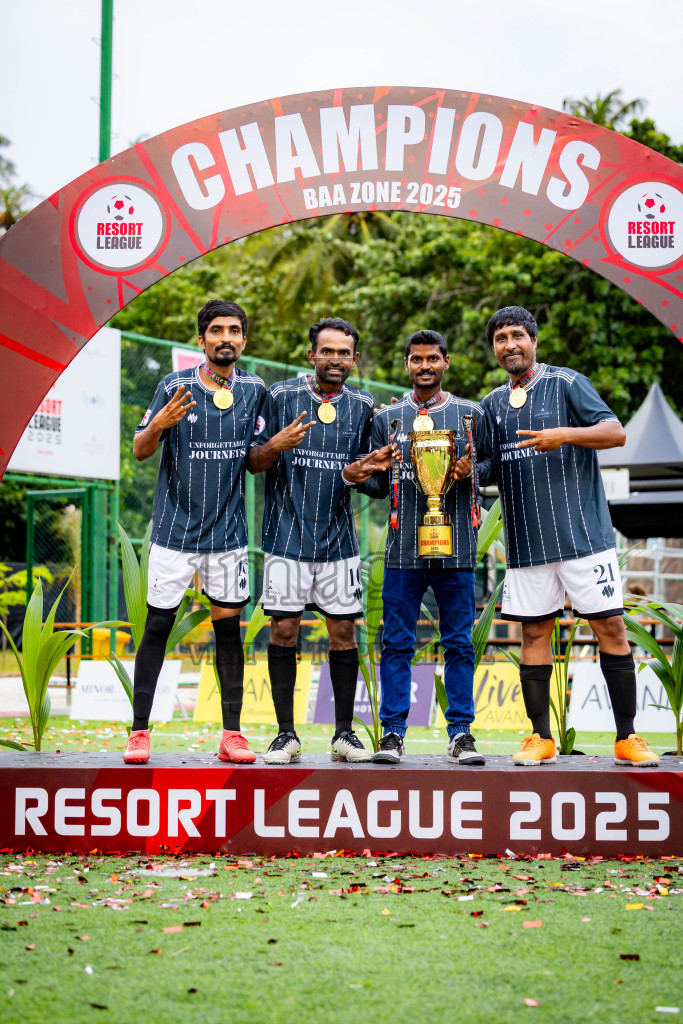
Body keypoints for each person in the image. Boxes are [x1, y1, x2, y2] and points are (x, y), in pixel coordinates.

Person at [481, 305, 659, 767]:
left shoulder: (566, 382)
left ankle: (627, 738)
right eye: (501, 339)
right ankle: (540, 737)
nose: (510, 345)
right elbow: (487, 465)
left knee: (612, 629)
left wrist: (563, 434)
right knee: (535, 634)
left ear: (534, 341)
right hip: (527, 542)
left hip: (583, 538)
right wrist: (464, 469)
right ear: (495, 349)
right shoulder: (492, 404)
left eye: (517, 335)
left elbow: (615, 433)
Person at [122, 300, 266, 765]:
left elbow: (257, 458)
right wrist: (159, 424)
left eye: (234, 330)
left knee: (229, 632)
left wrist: (277, 446)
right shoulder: (173, 385)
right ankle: (139, 732)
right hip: (173, 533)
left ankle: (232, 735)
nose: (226, 337)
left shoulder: (255, 390)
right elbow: (141, 450)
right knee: (157, 627)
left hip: (228, 535)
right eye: (217, 330)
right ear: (201, 339)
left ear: (244, 340)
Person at [248, 317, 393, 764]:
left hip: (338, 545)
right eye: (326, 351)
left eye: (344, 353)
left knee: (343, 632)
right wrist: (277, 444)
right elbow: (254, 461)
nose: (335, 359)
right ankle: (285, 735)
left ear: (354, 359)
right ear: (311, 355)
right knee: (284, 630)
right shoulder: (280, 397)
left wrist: (357, 475)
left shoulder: (365, 407)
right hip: (286, 538)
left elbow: (377, 484)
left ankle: (345, 735)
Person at [348, 329, 490, 765]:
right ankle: (392, 735)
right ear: (407, 364)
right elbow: (374, 483)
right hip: (402, 551)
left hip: (458, 550)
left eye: (432, 358)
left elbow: (491, 462)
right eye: (416, 359)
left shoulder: (471, 414)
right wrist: (364, 472)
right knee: (395, 643)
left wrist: (470, 470)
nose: (424, 366)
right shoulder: (385, 418)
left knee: (460, 643)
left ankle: (461, 735)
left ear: (446, 362)